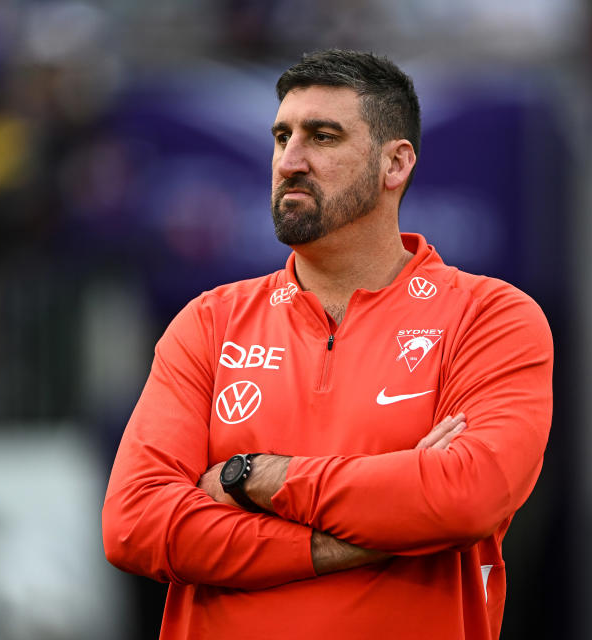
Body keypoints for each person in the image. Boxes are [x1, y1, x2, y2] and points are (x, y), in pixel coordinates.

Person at [102, 49, 553, 639]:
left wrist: (253, 476)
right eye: (281, 135)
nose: (290, 160)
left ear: (395, 164)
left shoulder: (490, 316)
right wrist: (363, 530)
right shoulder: (208, 324)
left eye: (323, 136)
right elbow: (135, 524)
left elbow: (467, 497)